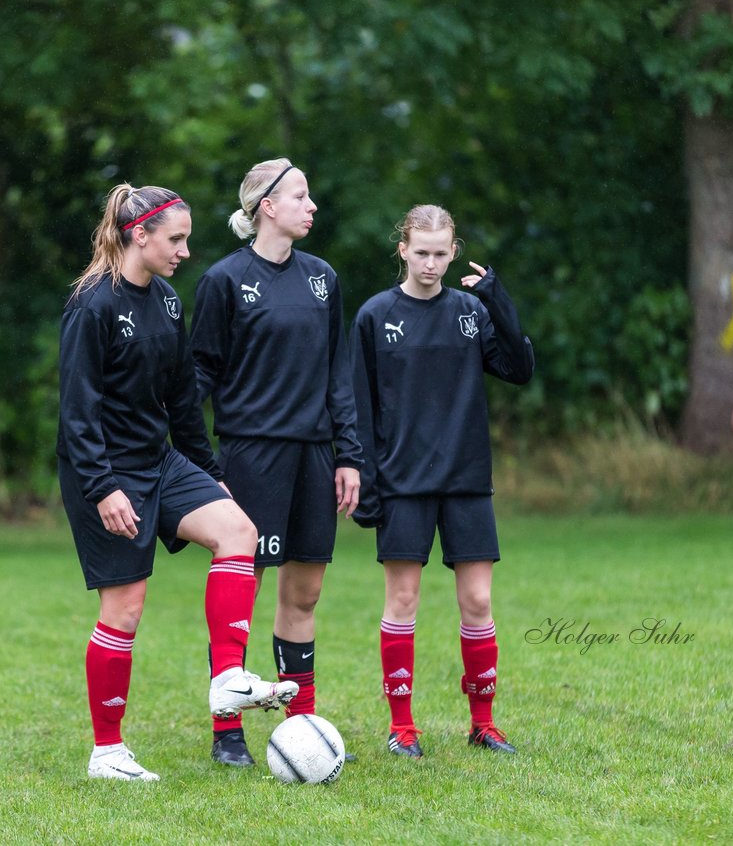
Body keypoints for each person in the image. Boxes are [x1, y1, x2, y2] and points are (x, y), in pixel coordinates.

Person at [58, 183, 298, 782]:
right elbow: (77, 410)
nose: (185, 251)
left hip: (160, 461)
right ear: (138, 236)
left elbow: (181, 399)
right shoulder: (92, 305)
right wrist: (102, 487)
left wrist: (211, 474)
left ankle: (226, 681)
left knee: (238, 529)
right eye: (176, 239)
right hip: (108, 471)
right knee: (125, 610)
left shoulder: (165, 300)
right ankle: (107, 752)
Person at [190, 158, 364, 767]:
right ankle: (226, 728)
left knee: (306, 592)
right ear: (267, 205)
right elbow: (198, 377)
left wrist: (349, 454)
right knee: (244, 589)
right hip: (251, 455)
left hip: (315, 456)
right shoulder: (225, 280)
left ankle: (301, 720)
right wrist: (201, 462)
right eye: (299, 195)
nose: (311, 205)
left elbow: (338, 375)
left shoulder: (323, 279)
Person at [350, 204, 534, 758]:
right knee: (402, 598)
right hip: (403, 481)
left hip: (467, 479)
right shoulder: (376, 315)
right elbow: (358, 407)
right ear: (402, 249)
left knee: (478, 601)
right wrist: (366, 481)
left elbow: (520, 369)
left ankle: (483, 723)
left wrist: (497, 298)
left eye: (441, 253)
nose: (431, 263)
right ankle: (402, 727)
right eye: (421, 252)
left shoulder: (471, 312)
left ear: (454, 252)